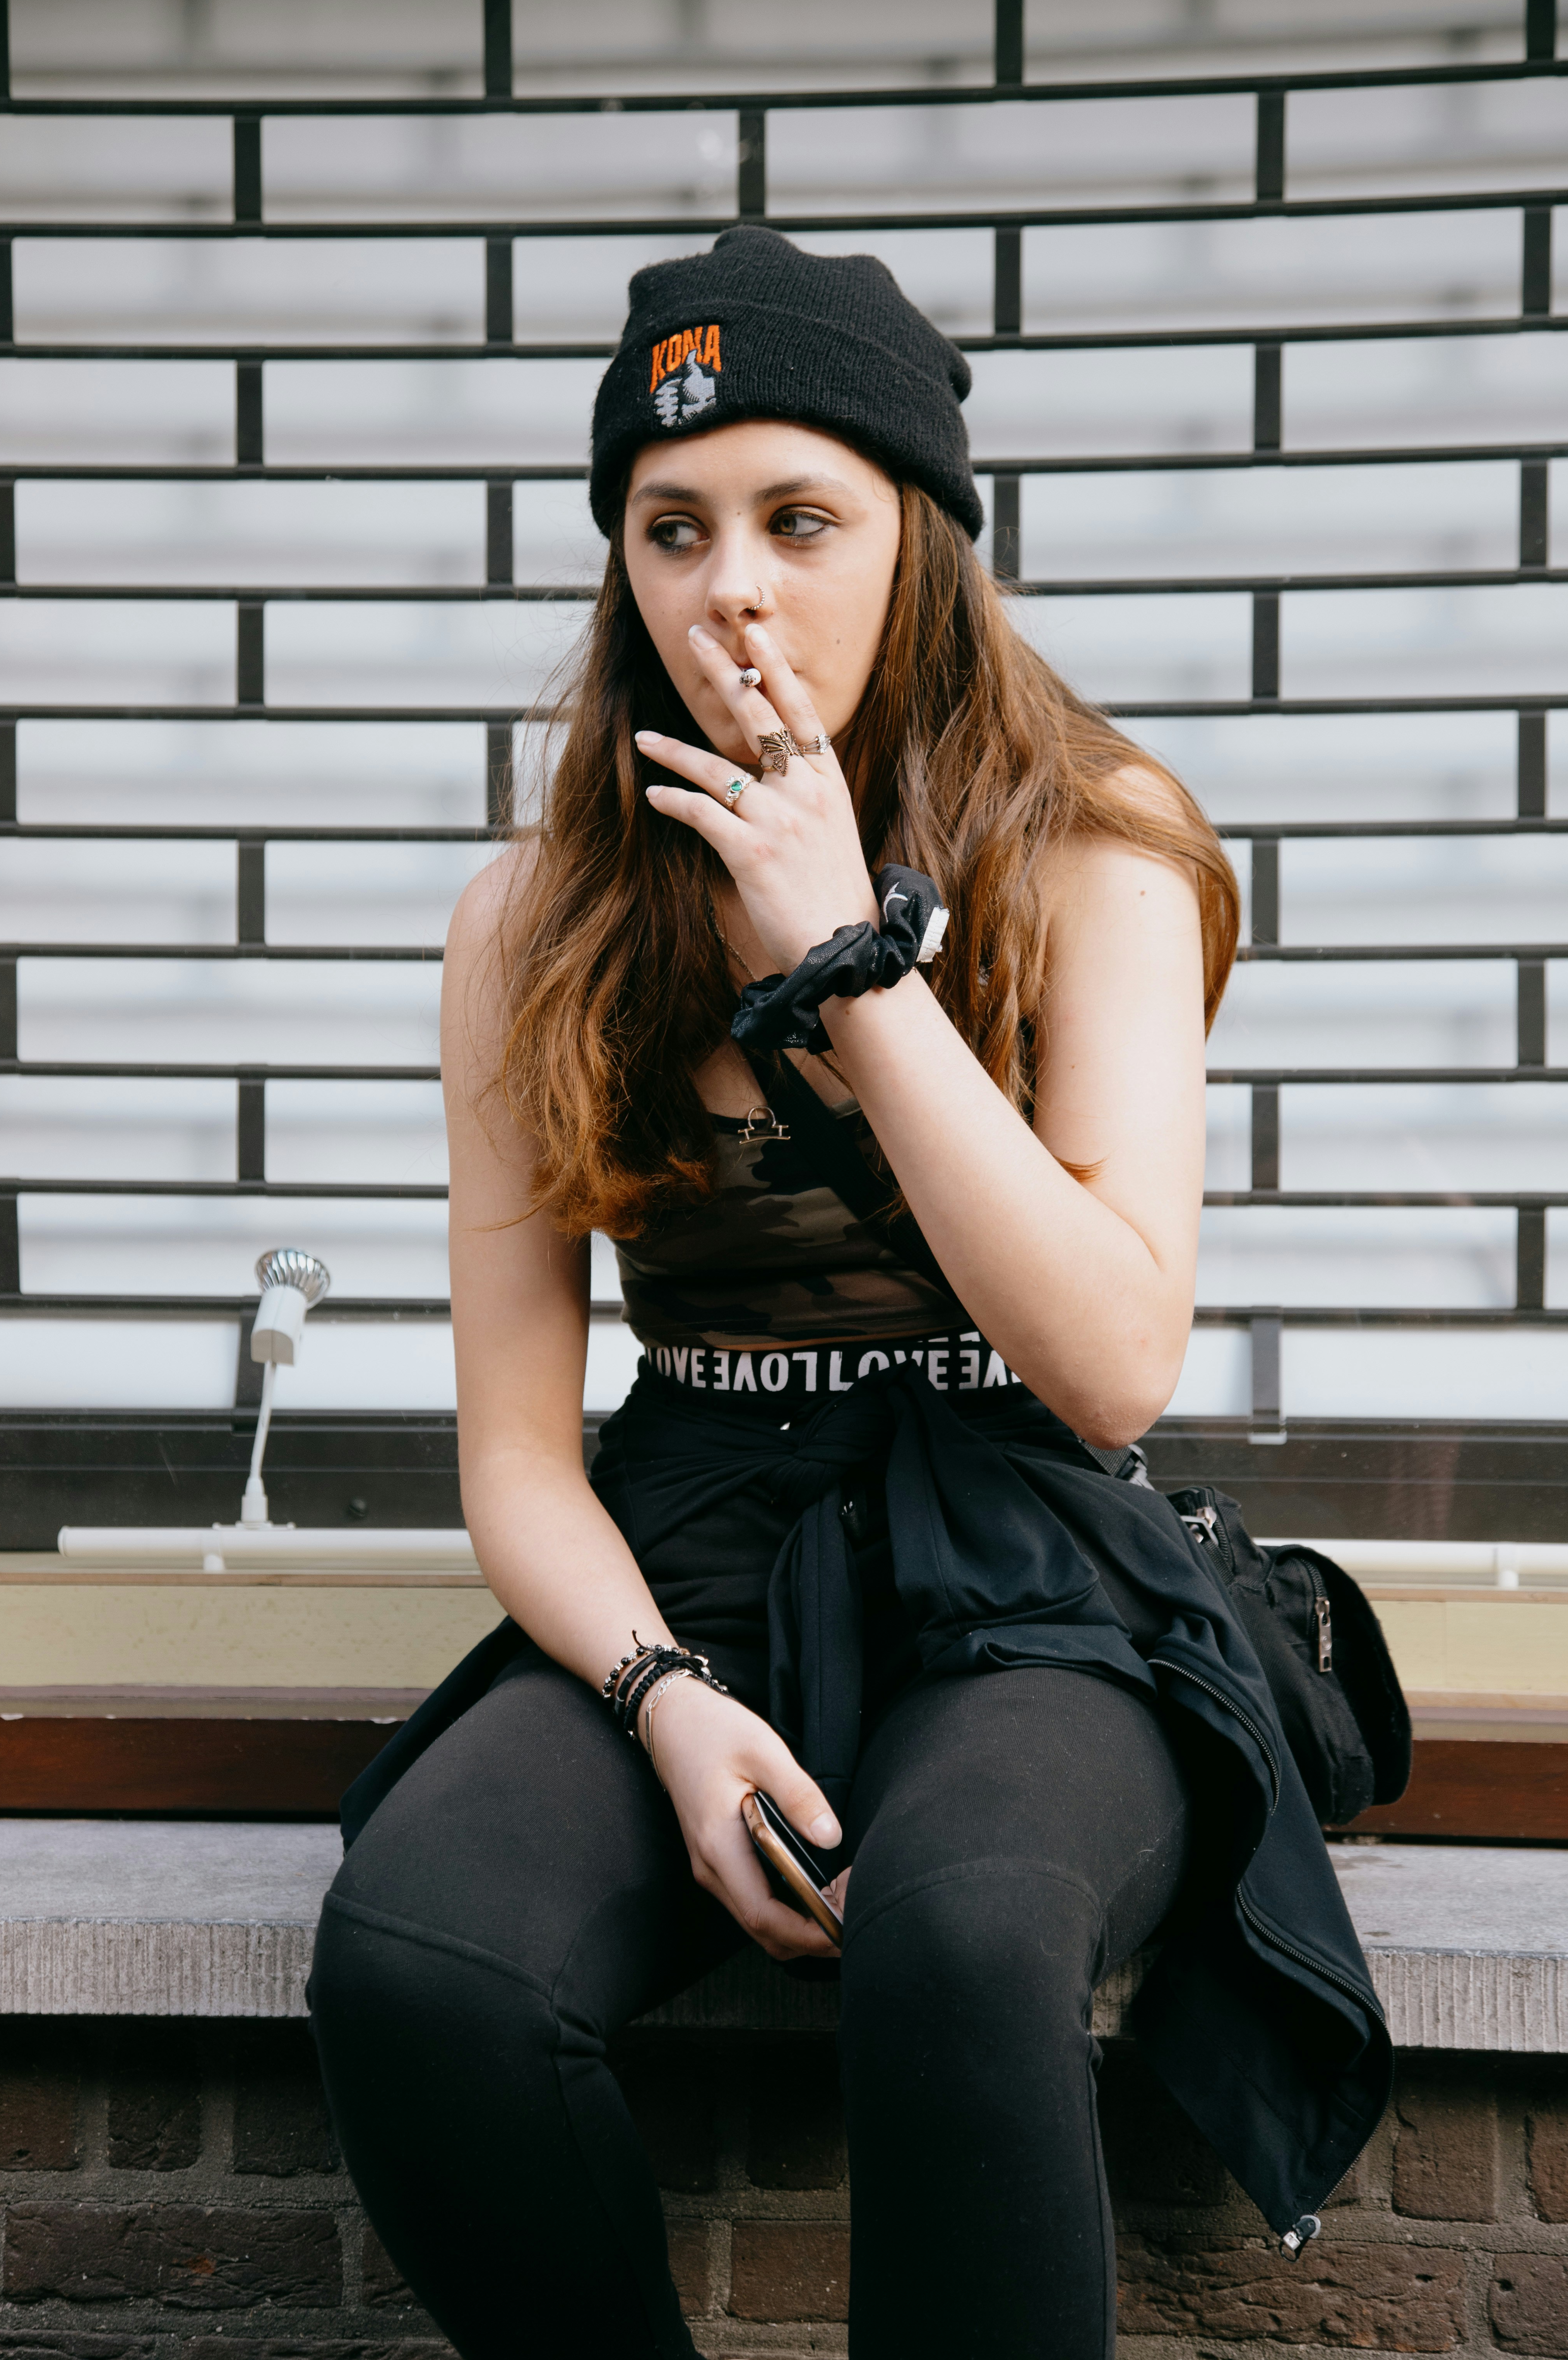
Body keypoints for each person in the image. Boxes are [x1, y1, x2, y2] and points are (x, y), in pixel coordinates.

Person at [308, 228, 1389, 2360]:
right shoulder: (532, 922)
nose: (735, 586)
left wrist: (853, 968)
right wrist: (668, 1708)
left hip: (1022, 1527)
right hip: (697, 1528)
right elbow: (521, 1458)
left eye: (804, 520)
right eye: (672, 525)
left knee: (965, 1936)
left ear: (923, 543)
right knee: (423, 1953)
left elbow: (1110, 1360)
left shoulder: (1095, 844)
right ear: (619, 560)